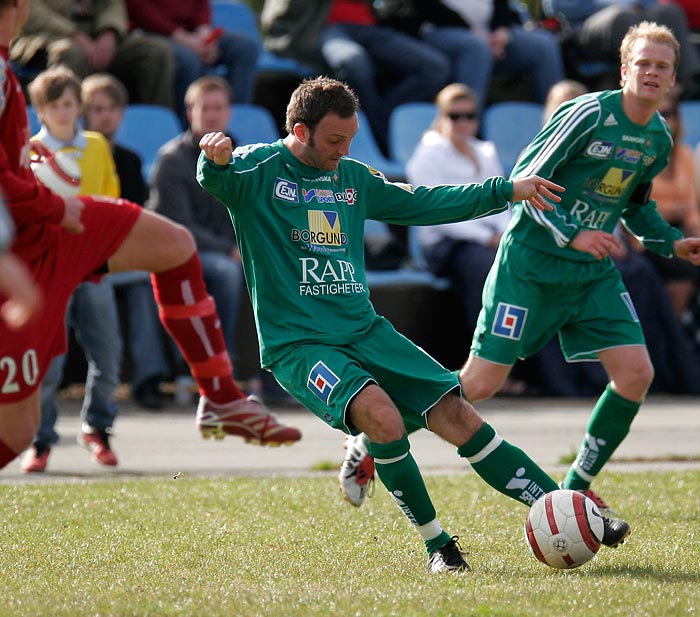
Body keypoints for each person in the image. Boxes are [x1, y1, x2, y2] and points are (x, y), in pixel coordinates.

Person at [196, 75, 629, 572]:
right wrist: (216, 157)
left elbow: (423, 203)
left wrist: (506, 190)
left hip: (364, 330)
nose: (343, 150)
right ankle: (439, 547)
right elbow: (218, 178)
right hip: (301, 344)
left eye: (350, 139)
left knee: (459, 416)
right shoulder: (260, 168)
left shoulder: (352, 178)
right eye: (334, 141)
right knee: (380, 414)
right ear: (301, 130)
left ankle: (576, 513)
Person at [0, 0, 301, 477]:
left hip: (51, 228)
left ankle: (219, 395)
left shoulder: (10, 71)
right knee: (17, 431)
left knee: (174, 246)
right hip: (23, 245)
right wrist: (55, 205)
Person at [455, 21, 700, 511]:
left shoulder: (656, 137)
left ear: (673, 79)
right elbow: (526, 181)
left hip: (589, 273)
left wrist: (671, 243)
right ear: (624, 69)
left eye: (663, 67)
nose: (652, 73)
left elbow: (636, 205)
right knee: (480, 385)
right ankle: (378, 428)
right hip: (531, 265)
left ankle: (575, 488)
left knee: (635, 373)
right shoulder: (588, 113)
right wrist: (575, 232)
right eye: (644, 64)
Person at [21, 65, 124, 472]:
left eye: (68, 104)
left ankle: (97, 429)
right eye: (54, 105)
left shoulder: (97, 145)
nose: (63, 112)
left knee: (108, 355)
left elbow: (110, 200)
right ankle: (41, 439)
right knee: (48, 363)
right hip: (49, 268)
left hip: (93, 265)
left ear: (78, 106)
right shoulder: (29, 151)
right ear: (40, 111)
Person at [81, 72, 171, 410]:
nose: (105, 115)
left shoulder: (131, 161)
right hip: (81, 259)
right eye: (97, 109)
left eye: (111, 108)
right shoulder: (74, 160)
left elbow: (137, 218)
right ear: (85, 114)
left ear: (121, 113)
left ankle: (149, 379)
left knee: (144, 283)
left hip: (119, 256)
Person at [148, 75, 245, 378]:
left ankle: (271, 371)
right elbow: (179, 226)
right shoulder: (172, 160)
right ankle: (221, 368)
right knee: (227, 272)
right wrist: (230, 250)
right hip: (182, 252)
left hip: (230, 251)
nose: (213, 115)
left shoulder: (242, 156)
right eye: (206, 108)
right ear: (191, 113)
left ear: (229, 113)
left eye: (219, 108)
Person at [379, 0, 566, 108]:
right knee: (476, 48)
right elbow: (425, 7)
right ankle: (469, 132)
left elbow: (501, 5)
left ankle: (559, 127)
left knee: (544, 45)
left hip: (488, 35)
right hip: (436, 31)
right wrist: (473, 32)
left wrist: (502, 30)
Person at [320, 0, 450, 151]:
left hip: (371, 28)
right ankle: (376, 130)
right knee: (353, 62)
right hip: (328, 29)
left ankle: (385, 118)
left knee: (435, 68)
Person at [10, 0, 175, 109]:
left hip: (97, 33)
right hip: (44, 36)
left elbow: (112, 5)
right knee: (70, 54)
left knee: (155, 53)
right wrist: (74, 34)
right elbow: (29, 9)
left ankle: (156, 130)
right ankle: (70, 129)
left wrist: (109, 32)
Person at [124, 0, 260, 125]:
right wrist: (184, 39)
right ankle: (189, 128)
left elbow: (201, 5)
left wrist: (204, 30)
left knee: (246, 49)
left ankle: (232, 123)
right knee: (189, 62)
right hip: (152, 34)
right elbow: (139, 10)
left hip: (191, 33)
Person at [542, 0, 700, 97]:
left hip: (634, 15)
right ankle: (645, 86)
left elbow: (651, 3)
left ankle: (688, 81)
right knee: (621, 17)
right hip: (585, 25)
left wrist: (638, 7)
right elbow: (562, 6)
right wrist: (613, 7)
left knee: (669, 11)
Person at [644, 90, 700, 317]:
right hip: (647, 237)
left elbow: (692, 209)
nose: (667, 120)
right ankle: (673, 330)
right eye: (658, 114)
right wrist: (669, 212)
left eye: (670, 113)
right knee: (683, 269)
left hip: (681, 231)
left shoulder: (684, 155)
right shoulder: (637, 155)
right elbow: (634, 210)